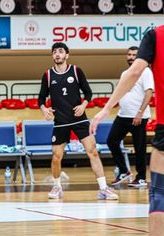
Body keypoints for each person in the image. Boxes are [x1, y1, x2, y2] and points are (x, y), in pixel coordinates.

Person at [91, 25, 164, 236]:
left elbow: (135, 73)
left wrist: (105, 108)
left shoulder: (156, 35)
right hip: (128, 116)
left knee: (160, 193)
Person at [38, 42, 118, 200]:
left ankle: (103, 188)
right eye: (55, 52)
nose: (57, 54)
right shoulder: (47, 75)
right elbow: (41, 97)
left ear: (67, 55)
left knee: (93, 152)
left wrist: (83, 105)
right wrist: (44, 109)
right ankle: (57, 187)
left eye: (60, 52)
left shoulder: (76, 71)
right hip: (60, 121)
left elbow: (88, 92)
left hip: (79, 119)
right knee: (56, 156)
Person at [107, 46, 153, 188]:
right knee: (112, 141)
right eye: (129, 54)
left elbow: (149, 92)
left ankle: (141, 178)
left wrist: (140, 112)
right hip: (123, 116)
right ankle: (123, 170)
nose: (131, 57)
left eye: (134, 54)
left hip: (138, 117)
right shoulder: (125, 73)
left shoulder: (145, 71)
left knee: (139, 148)